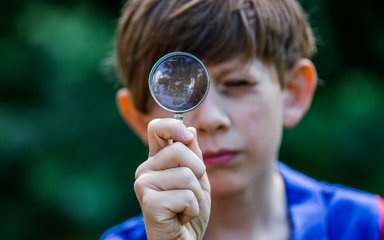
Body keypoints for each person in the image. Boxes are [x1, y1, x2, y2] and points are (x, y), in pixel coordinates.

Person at [101, 0, 384, 239]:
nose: (211, 119)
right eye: (179, 90)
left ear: (293, 92)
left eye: (238, 83)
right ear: (139, 120)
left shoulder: (370, 226)